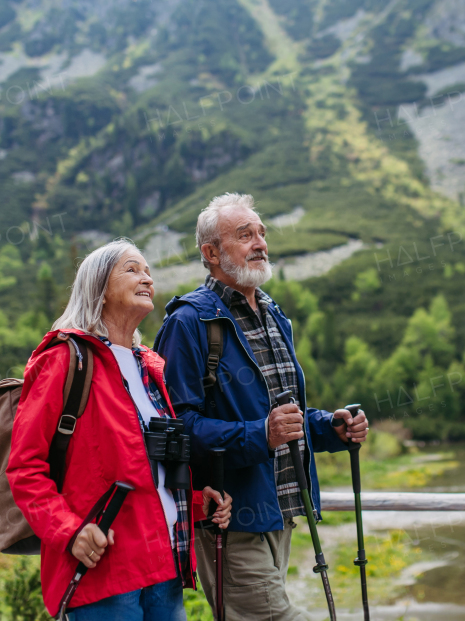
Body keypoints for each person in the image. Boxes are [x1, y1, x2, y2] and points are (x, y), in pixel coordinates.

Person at [156, 193, 370, 621]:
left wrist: (331, 428)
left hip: (281, 510)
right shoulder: (188, 322)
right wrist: (261, 435)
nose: (260, 243)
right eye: (244, 234)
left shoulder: (274, 315)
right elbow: (175, 428)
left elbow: (283, 414)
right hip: (231, 517)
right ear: (211, 253)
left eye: (261, 233)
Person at [8, 239, 232, 621]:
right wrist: (71, 531)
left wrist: (197, 503)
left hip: (164, 568)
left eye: (147, 271)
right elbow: (24, 469)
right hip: (104, 574)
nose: (146, 278)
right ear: (98, 287)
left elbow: (146, 471)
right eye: (131, 269)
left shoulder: (150, 366)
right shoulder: (64, 360)